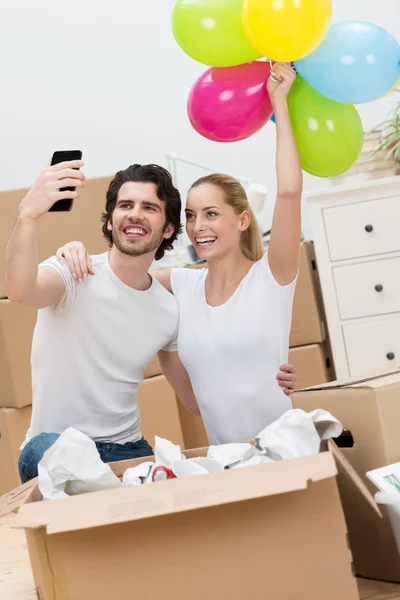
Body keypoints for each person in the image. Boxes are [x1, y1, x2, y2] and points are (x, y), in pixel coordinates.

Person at [6, 159, 295, 484]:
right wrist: (28, 215)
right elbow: (20, 291)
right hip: (53, 446)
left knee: (171, 482)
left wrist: (265, 374)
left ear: (168, 228)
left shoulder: (167, 308)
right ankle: (114, 493)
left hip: (126, 449)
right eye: (125, 205)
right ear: (110, 220)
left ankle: (113, 493)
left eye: (149, 207)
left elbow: (195, 399)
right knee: (47, 450)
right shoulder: (72, 273)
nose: (134, 213)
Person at [57, 61, 302, 446]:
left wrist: (278, 101)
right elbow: (120, 274)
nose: (198, 226)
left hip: (290, 450)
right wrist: (73, 250)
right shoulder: (181, 285)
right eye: (190, 215)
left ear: (241, 220)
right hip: (231, 466)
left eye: (211, 214)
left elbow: (289, 190)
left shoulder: (272, 278)